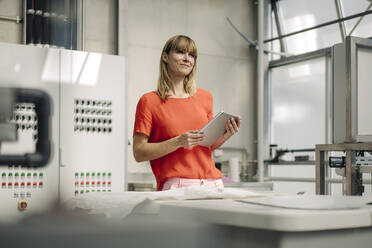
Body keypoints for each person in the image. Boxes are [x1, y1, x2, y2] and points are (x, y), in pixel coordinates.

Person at [133, 35, 240, 191]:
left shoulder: (205, 97)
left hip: (214, 184)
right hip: (177, 187)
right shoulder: (149, 101)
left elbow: (206, 146)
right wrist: (178, 142)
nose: (187, 59)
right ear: (165, 57)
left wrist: (227, 133)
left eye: (191, 55)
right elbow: (139, 152)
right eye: (180, 52)